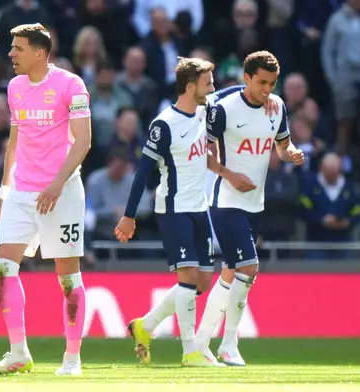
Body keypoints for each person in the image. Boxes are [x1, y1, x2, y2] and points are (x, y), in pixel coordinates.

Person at [114, 57, 259, 367]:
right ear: (191, 86)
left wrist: (264, 95)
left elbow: (234, 91)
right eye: (208, 83)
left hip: (199, 208)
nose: (213, 89)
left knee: (202, 282)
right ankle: (190, 350)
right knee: (188, 277)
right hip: (173, 209)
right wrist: (130, 215)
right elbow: (142, 172)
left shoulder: (204, 108)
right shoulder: (164, 124)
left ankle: (146, 325)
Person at [0, 23, 92, 376]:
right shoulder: (15, 87)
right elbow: (14, 143)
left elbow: (83, 141)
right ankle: (18, 353)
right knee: (4, 267)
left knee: (67, 277)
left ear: (39, 53)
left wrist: (56, 185)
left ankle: (72, 358)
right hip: (22, 191)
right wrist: (5, 191)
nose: (11, 54)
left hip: (61, 193)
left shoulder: (71, 85)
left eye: (18, 48)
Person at [196, 51, 304, 366]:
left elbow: (283, 148)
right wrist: (229, 175)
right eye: (261, 82)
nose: (267, 89)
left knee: (231, 272)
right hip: (226, 200)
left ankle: (201, 343)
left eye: (271, 83)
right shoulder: (224, 108)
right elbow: (203, 152)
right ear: (246, 78)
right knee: (249, 268)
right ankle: (229, 344)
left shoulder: (277, 107)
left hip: (255, 204)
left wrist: (293, 154)